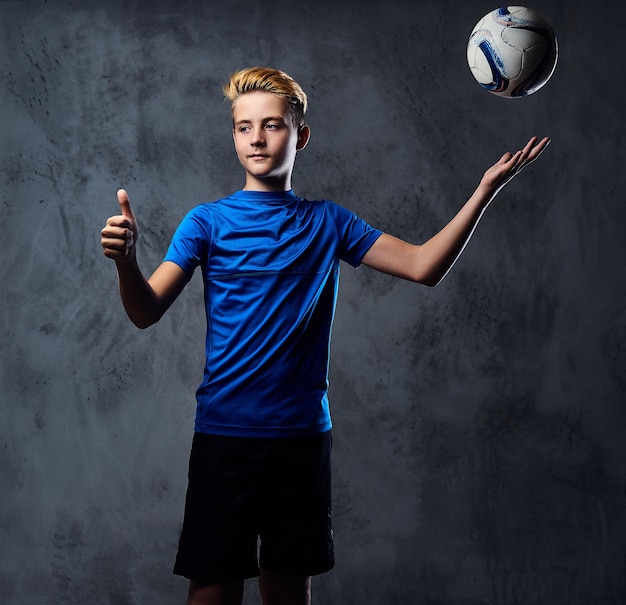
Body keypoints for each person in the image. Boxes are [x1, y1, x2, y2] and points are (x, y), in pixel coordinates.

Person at [100, 67, 550, 605]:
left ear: (301, 135)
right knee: (213, 590)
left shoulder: (328, 222)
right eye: (244, 128)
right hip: (225, 438)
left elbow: (424, 266)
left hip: (299, 441)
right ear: (234, 136)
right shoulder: (206, 223)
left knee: (288, 591)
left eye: (272, 125)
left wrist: (483, 190)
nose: (258, 138)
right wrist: (127, 264)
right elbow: (146, 311)